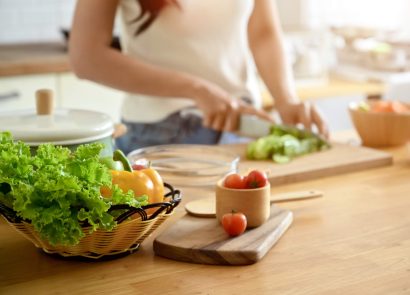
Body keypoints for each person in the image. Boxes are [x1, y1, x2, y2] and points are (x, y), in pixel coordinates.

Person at [69, 0, 328, 154]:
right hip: (161, 137)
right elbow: (86, 57)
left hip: (243, 129)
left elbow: (263, 32)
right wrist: (197, 89)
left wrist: (286, 99)